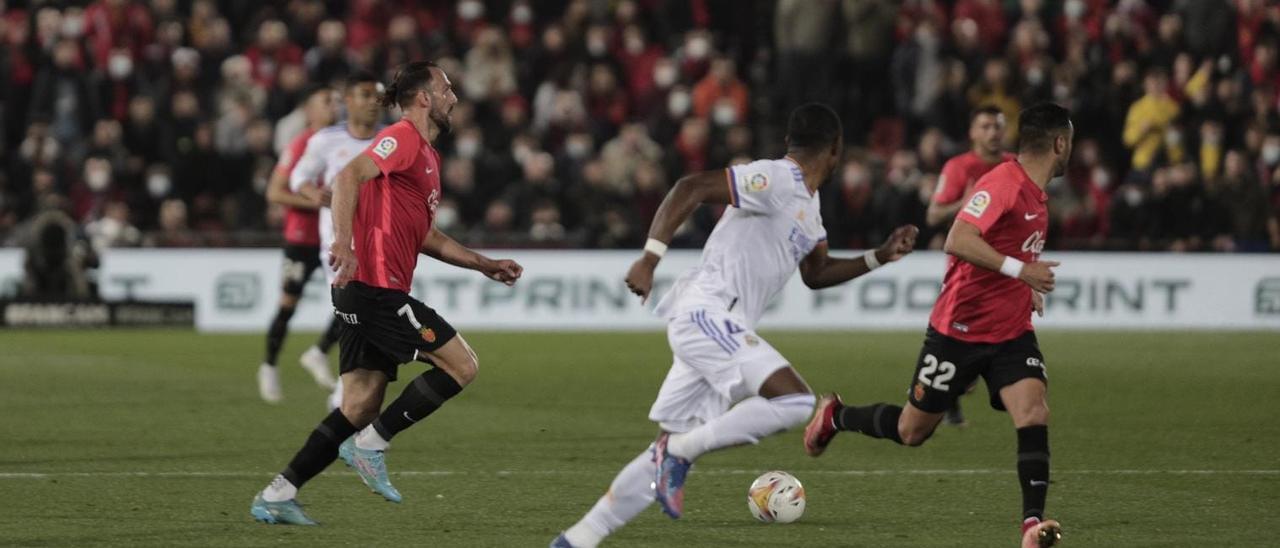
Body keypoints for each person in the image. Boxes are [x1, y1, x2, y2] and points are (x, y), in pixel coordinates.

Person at [551, 103, 918, 548]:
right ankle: (682, 452)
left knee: (662, 450)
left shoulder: (810, 204)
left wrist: (880, 255)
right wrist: (650, 258)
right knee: (797, 401)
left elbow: (816, 274)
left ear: (790, 140)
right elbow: (691, 186)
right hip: (708, 312)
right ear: (837, 150)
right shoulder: (778, 178)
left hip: (716, 327)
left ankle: (578, 539)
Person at [250, 61, 524, 525]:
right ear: (423, 98)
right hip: (374, 289)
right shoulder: (402, 138)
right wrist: (342, 243)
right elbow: (346, 176)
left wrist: (484, 264)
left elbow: (427, 237)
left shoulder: (429, 158)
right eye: (446, 88)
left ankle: (278, 493)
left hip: (366, 292)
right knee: (462, 366)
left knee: (358, 405)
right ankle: (372, 444)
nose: (453, 97)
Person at [804, 103, 1072, 548]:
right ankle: (837, 416)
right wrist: (1021, 272)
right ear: (1060, 143)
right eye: (1071, 143)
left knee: (1034, 410)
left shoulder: (1036, 194)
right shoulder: (1003, 182)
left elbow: (1007, 251)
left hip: (1010, 332)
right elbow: (958, 238)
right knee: (912, 431)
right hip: (958, 331)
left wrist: (1025, 283)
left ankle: (1032, 525)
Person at [287, 71, 385, 410]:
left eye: (378, 96)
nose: (373, 102)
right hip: (339, 244)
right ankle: (344, 396)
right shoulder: (326, 140)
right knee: (357, 312)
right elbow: (298, 176)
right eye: (365, 94)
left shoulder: (391, 140)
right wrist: (313, 193)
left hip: (382, 243)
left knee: (366, 317)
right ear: (348, 101)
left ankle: (345, 389)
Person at [925, 104, 1015, 427]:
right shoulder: (959, 166)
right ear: (973, 132)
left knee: (993, 341)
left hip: (1006, 269)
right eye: (986, 126)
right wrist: (961, 204)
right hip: (968, 269)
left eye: (998, 126)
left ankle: (954, 393)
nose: (993, 132)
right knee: (962, 345)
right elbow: (933, 215)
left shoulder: (1013, 166)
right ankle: (944, 396)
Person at [258, 85, 339, 404]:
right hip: (302, 238)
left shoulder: (343, 142)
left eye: (335, 101)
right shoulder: (301, 144)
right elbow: (275, 193)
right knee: (287, 305)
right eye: (326, 101)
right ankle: (269, 366)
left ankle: (318, 352)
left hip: (334, 238)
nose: (334, 106)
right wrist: (314, 201)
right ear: (310, 111)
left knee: (350, 302)